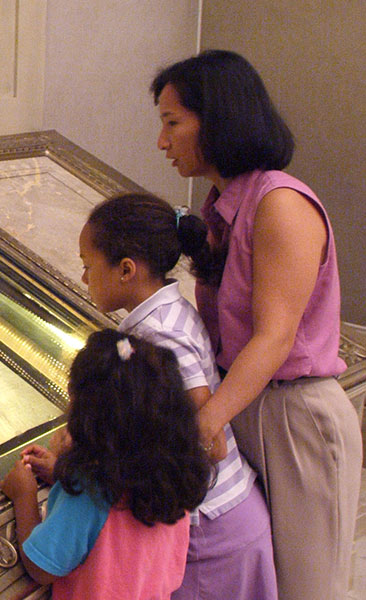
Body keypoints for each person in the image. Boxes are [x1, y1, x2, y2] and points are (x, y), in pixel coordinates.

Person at [151, 49, 362, 600]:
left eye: (173, 123)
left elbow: (275, 336)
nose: (162, 142)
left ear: (216, 117)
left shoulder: (280, 203)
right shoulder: (222, 207)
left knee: (309, 588)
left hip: (295, 418)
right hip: (247, 407)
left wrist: (206, 421)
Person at [25, 193, 277, 599]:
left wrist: (86, 459)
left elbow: (204, 443)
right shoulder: (167, 312)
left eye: (89, 267)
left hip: (211, 534)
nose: (85, 279)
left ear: (126, 270)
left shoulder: (158, 337)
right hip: (229, 517)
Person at [1, 329, 211, 599]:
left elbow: (42, 568)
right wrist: (62, 472)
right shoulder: (172, 480)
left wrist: (24, 495)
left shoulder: (90, 492)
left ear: (92, 420)